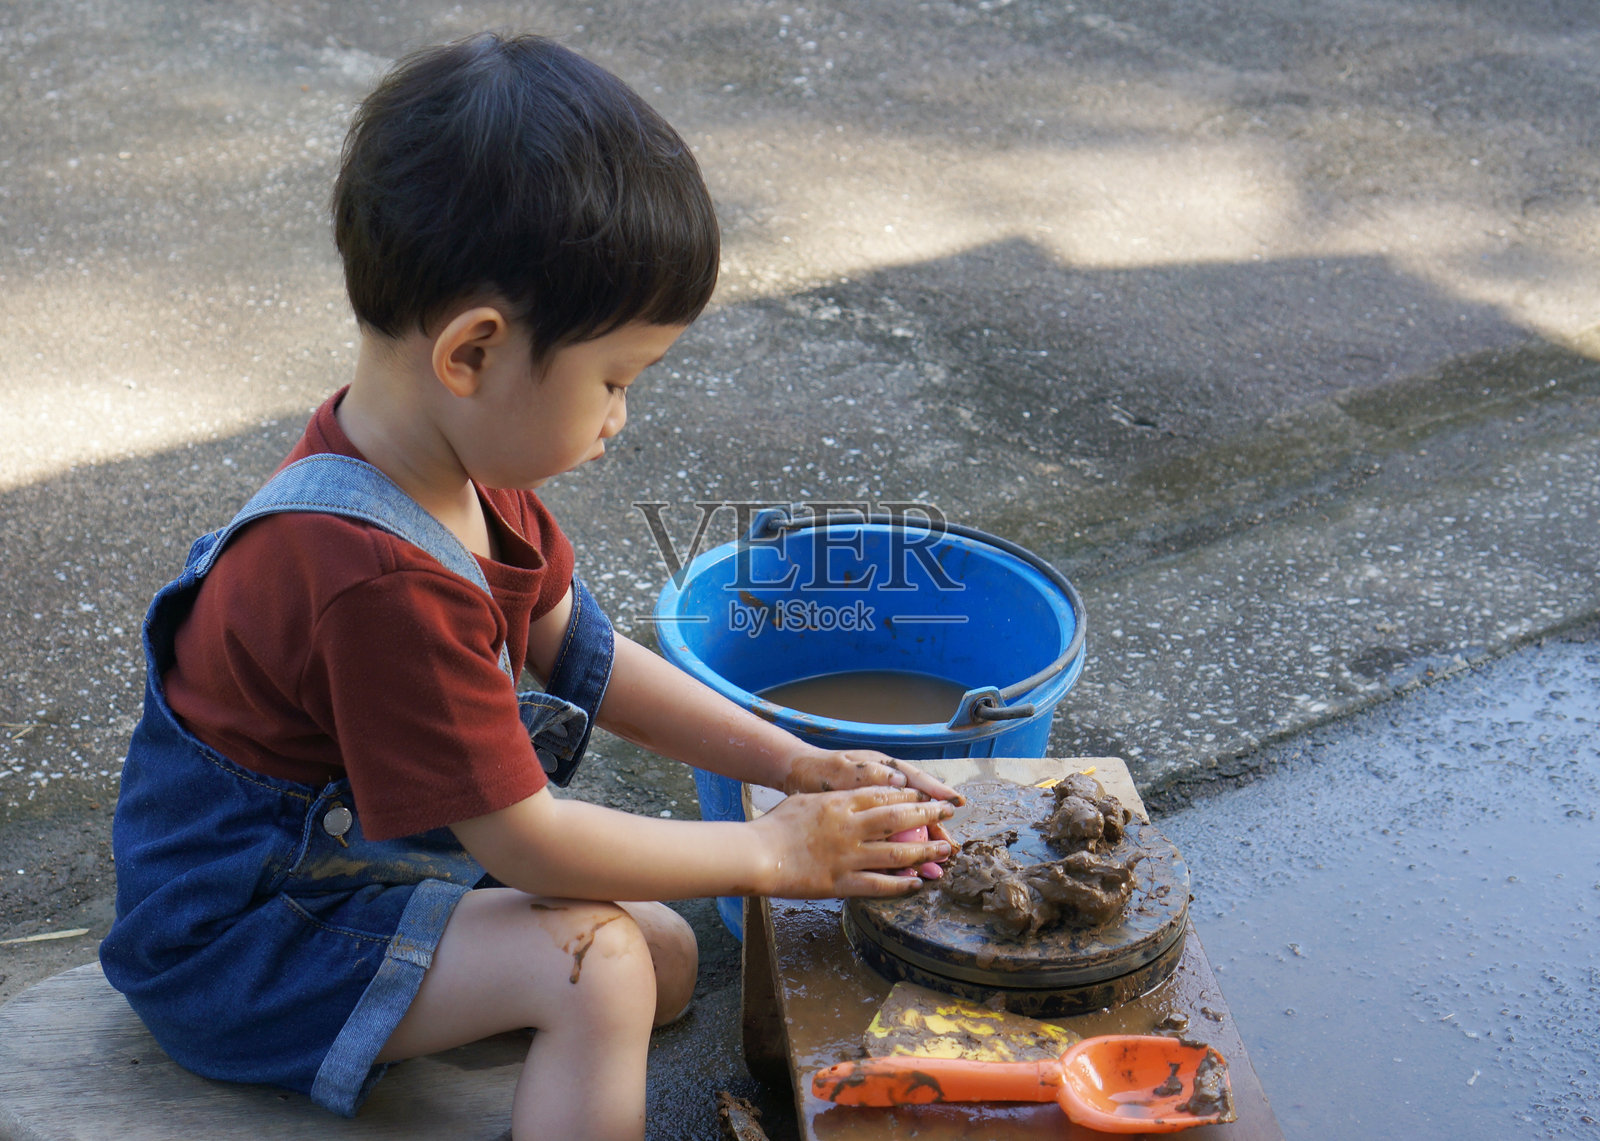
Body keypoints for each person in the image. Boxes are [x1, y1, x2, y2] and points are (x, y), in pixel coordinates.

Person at [98, 31, 959, 1141]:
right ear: (472, 353)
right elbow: (528, 842)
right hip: (244, 946)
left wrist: (789, 763)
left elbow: (588, 657)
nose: (619, 418)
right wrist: (772, 850)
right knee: (600, 968)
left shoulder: (457, 467)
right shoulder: (371, 577)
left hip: (364, 867)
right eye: (612, 379)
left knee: (667, 953)